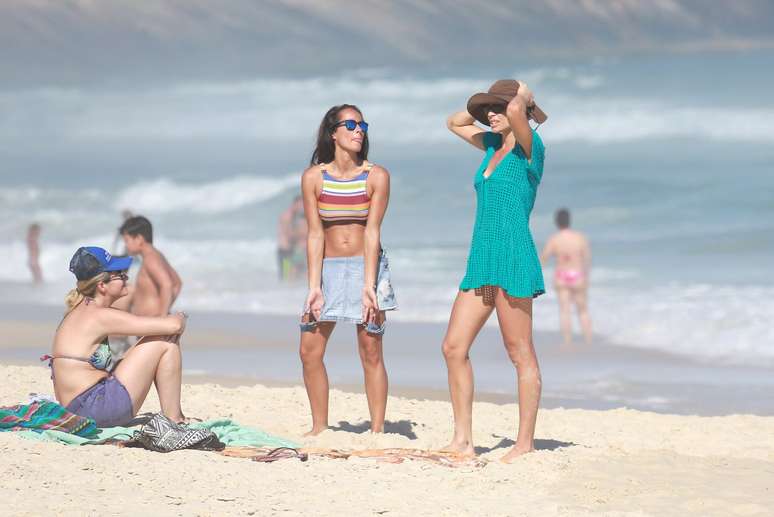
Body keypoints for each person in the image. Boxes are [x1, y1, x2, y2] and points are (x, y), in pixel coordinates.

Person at [443, 79, 547, 462]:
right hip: (482, 261)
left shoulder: (529, 150)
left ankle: (524, 445)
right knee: (453, 347)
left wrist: (522, 95)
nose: (491, 114)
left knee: (519, 352)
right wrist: (487, 105)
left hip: (514, 259)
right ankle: (463, 441)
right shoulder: (491, 148)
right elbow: (453, 122)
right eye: (488, 109)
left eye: (498, 107)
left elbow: (519, 112)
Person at [299, 104, 398, 436]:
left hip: (366, 267)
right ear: (333, 132)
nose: (359, 131)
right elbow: (314, 234)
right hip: (328, 269)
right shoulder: (314, 178)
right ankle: (319, 427)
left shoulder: (376, 176)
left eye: (362, 125)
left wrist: (369, 285)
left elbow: (372, 232)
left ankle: (378, 429)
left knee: (370, 349)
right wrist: (314, 286)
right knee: (309, 349)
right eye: (351, 125)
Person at [43, 246, 188, 427]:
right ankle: (174, 419)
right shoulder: (99, 315)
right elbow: (173, 326)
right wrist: (181, 316)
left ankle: (173, 416)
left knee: (155, 340)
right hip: (94, 408)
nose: (125, 276)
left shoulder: (83, 310)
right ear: (102, 285)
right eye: (119, 274)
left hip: (80, 408)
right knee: (165, 340)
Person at [541, 208, 593, 346]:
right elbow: (587, 259)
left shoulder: (555, 239)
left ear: (556, 222)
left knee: (565, 311)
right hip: (577, 275)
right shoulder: (579, 237)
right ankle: (588, 340)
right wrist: (586, 277)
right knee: (582, 310)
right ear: (570, 221)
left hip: (562, 276)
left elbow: (544, 258)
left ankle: (567, 341)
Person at [114, 215, 182, 317]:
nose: (126, 245)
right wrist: (164, 308)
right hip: (151, 323)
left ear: (139, 239)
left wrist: (162, 317)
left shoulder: (150, 259)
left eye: (127, 240)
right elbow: (177, 283)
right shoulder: (156, 255)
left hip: (152, 325)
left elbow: (167, 285)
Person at [277, 195, 307, 281]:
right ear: (295, 204)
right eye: (300, 205)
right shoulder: (287, 216)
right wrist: (302, 234)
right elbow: (288, 234)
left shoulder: (293, 216)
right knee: (286, 277)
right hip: (285, 251)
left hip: (289, 250)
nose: (301, 207)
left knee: (291, 275)